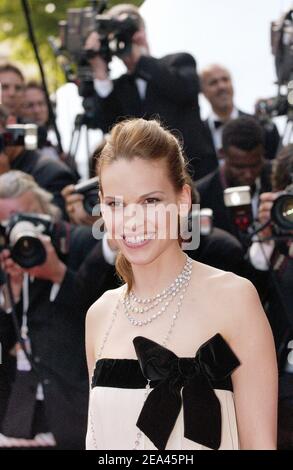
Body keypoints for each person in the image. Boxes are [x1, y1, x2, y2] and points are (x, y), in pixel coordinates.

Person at [85, 118, 277, 450]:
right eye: (115, 204)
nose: (132, 220)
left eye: (150, 201)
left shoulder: (234, 299)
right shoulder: (100, 315)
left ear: (183, 199)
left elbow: (260, 444)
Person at [84, 4, 209, 179]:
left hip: (193, 171)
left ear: (144, 31)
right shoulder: (120, 87)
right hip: (146, 179)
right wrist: (100, 72)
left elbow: (184, 91)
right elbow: (107, 124)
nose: (128, 38)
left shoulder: (179, 61)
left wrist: (141, 60)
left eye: (132, 30)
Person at [196, 116, 272, 241]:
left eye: (255, 165)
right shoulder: (200, 196)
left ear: (263, 153)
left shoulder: (281, 180)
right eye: (239, 167)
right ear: (221, 154)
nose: (248, 174)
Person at [199, 64, 280, 179]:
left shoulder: (261, 126)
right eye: (213, 82)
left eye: (225, 80)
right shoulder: (196, 135)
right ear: (203, 91)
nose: (221, 86)